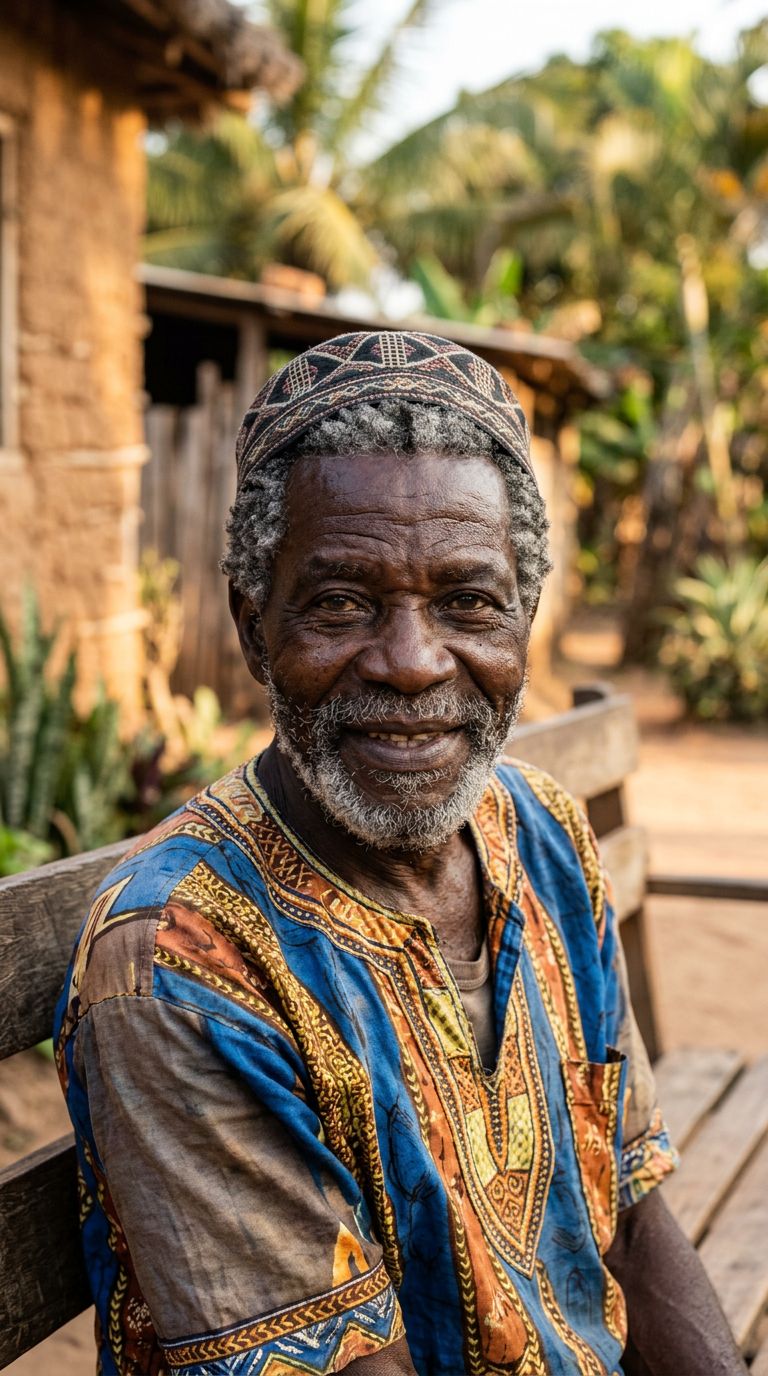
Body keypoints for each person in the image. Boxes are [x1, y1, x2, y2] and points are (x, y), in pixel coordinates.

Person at [54, 331, 747, 1376]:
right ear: (255, 628)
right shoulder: (181, 961)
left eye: (469, 602)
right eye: (342, 602)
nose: (415, 663)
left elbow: (634, 1214)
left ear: (522, 619)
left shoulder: (545, 832)